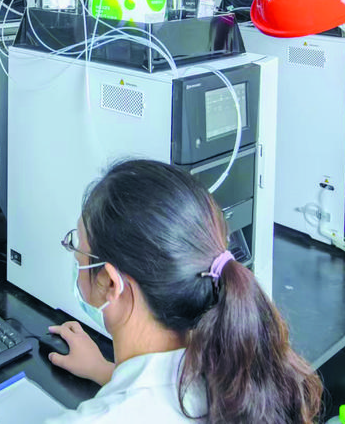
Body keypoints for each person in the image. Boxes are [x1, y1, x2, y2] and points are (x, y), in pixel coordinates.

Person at [46, 160, 322, 424]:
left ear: (109, 283)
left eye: (78, 250)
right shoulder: (235, 374)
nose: (77, 259)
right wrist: (104, 371)